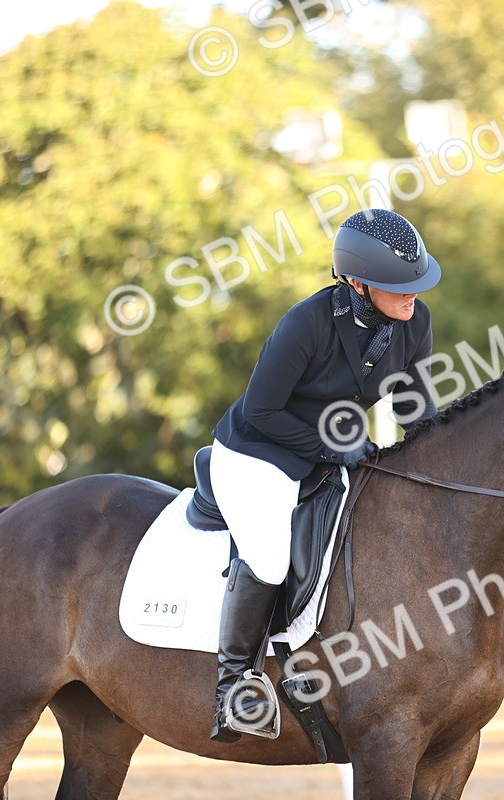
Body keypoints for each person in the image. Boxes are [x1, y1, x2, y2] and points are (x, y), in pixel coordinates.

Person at [206, 208, 441, 742]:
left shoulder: (414, 322)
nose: (413, 295)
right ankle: (233, 689)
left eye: (415, 282)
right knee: (267, 555)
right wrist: (339, 448)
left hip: (329, 456)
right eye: (398, 285)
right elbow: (262, 410)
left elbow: (414, 411)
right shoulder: (306, 324)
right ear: (359, 285)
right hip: (256, 452)